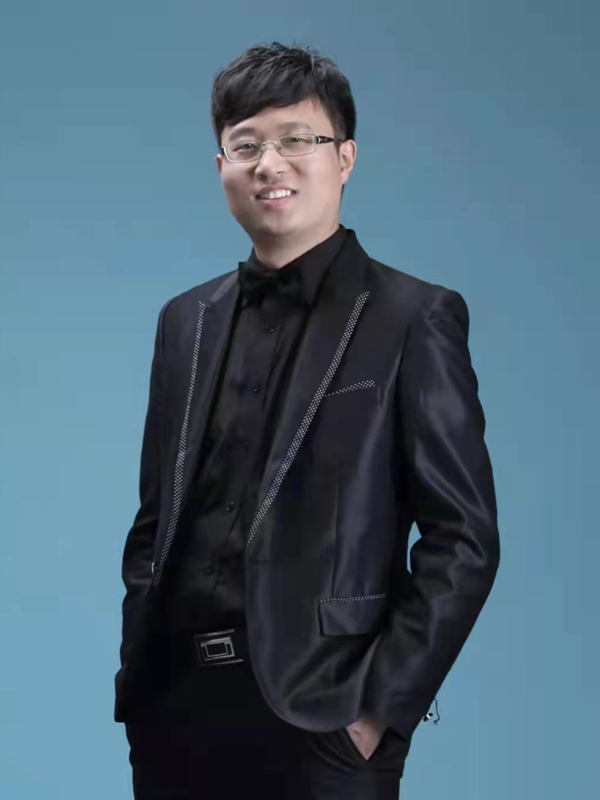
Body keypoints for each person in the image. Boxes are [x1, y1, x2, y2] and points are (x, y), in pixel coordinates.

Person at [115, 41, 500, 799]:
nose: (270, 163)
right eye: (246, 145)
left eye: (297, 139)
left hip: (324, 722)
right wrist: (139, 674)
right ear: (221, 164)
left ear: (345, 157)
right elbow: (154, 520)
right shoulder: (184, 321)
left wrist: (379, 711)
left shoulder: (412, 318)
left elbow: (464, 539)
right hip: (174, 713)